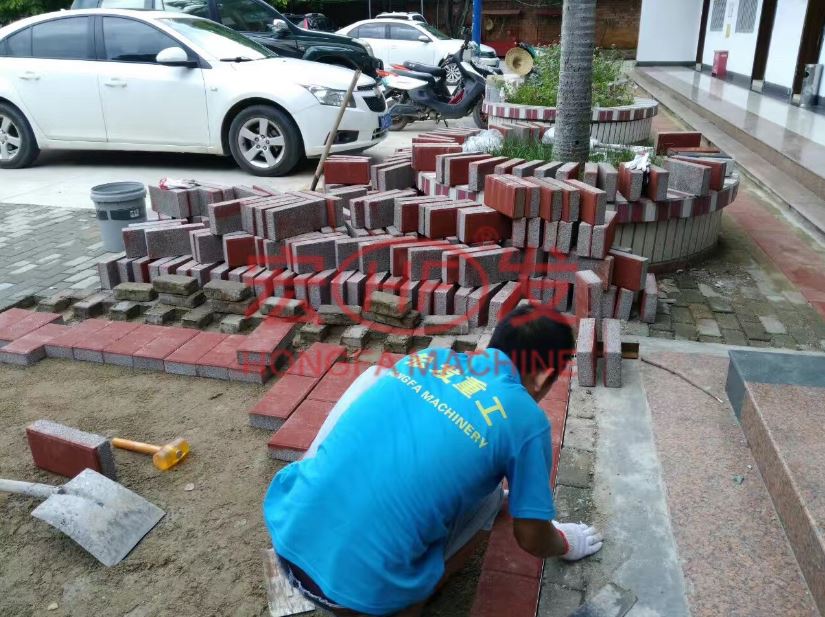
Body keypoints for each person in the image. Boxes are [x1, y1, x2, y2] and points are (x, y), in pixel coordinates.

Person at [263, 305, 603, 616]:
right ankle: (409, 605)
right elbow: (530, 536)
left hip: (287, 540)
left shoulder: (424, 359)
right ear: (544, 377)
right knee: (491, 502)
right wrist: (565, 543)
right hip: (360, 600)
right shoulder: (526, 420)